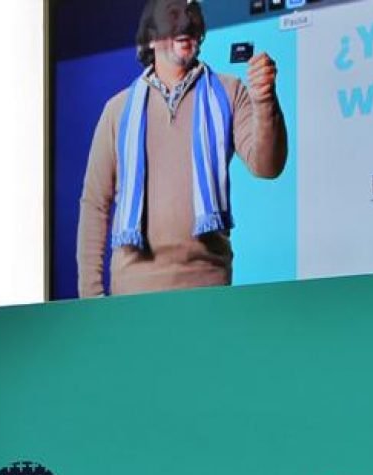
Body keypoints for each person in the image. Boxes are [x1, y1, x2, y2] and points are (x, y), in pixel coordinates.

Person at [77, 0, 288, 297]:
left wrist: (264, 100)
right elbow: (95, 204)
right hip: (131, 295)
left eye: (191, 13)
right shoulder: (117, 109)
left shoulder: (230, 91)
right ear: (151, 37)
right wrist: (91, 298)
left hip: (208, 290)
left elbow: (267, 166)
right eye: (173, 13)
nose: (186, 21)